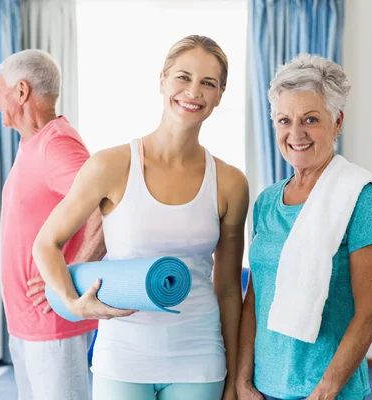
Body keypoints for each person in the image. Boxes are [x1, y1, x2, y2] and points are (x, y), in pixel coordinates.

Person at [33, 35, 249, 400]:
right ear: (162, 79)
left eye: (208, 83)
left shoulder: (230, 182)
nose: (193, 91)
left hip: (199, 355)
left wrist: (233, 380)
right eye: (183, 77)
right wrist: (71, 302)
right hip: (122, 355)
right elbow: (46, 243)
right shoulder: (111, 165)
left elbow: (228, 289)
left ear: (220, 94)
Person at [236, 54, 372, 400]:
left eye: (310, 119)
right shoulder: (266, 202)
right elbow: (255, 297)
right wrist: (243, 380)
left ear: (337, 121)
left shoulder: (359, 199)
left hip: (327, 392)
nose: (296, 133)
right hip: (262, 389)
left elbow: (371, 312)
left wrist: (325, 392)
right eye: (283, 120)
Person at [0, 49, 104, 400]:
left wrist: (69, 275)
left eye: (0, 90)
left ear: (21, 91)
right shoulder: (32, 144)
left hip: (52, 322)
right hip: (27, 321)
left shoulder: (57, 143)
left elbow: (104, 208)